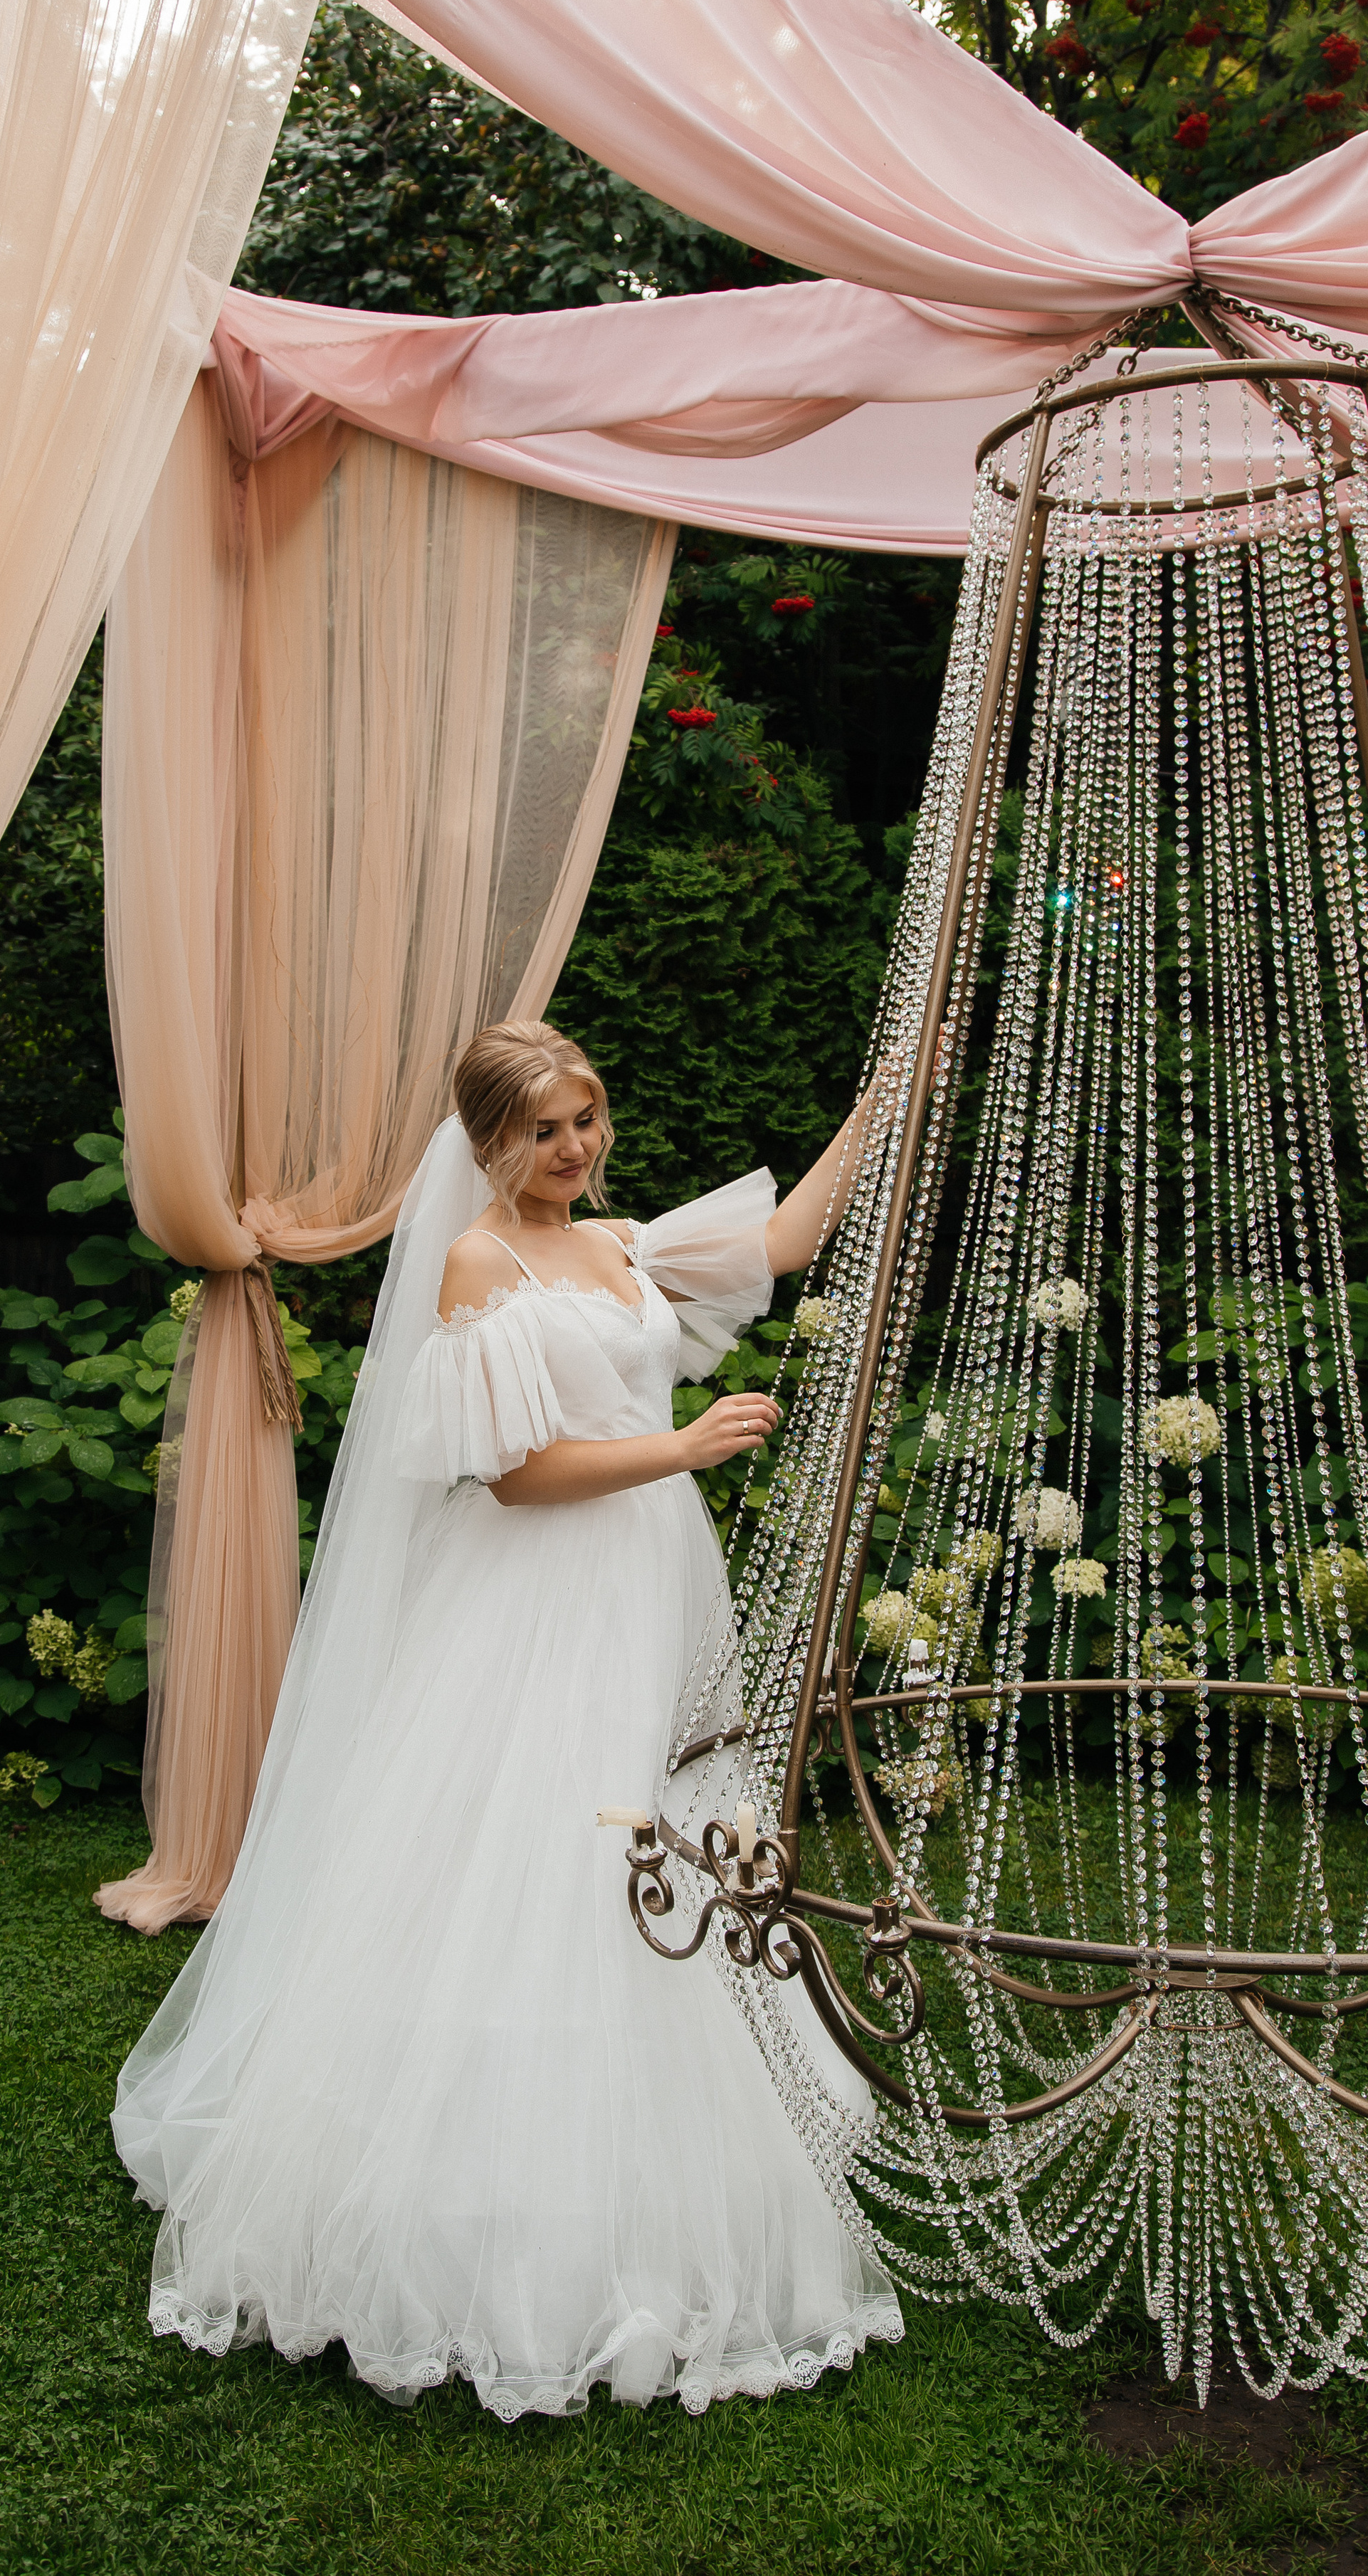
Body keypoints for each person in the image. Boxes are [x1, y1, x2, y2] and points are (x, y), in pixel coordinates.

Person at [112, 1020, 902, 2418]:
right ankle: (477, 2160)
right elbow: (514, 1476)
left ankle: (673, 2131)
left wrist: (878, 1097)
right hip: (536, 1598)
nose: (574, 1150)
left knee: (665, 1829)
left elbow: (776, 1242)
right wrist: (686, 1442)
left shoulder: (617, 1247)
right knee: (535, 1841)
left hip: (651, 1586)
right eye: (544, 1130)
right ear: (485, 1143)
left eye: (586, 1118)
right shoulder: (475, 1265)